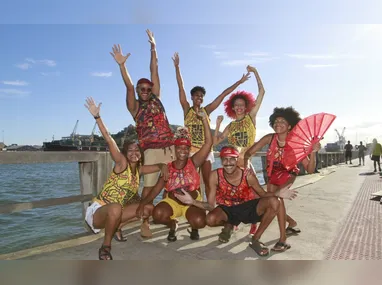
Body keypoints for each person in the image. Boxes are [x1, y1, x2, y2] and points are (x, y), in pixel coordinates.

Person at [84, 97, 169, 260]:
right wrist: (97, 117)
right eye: (130, 150)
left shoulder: (139, 170)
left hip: (117, 212)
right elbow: (109, 138)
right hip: (99, 212)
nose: (134, 153)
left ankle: (117, 227)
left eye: (137, 151)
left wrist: (162, 165)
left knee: (149, 208)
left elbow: (158, 166)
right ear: (124, 152)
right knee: (115, 207)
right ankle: (105, 247)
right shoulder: (122, 163)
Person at [173, 145, 297, 256]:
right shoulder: (214, 175)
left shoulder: (247, 175)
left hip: (247, 206)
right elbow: (211, 205)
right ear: (220, 160)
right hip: (228, 209)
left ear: (237, 160)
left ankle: (256, 239)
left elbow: (263, 194)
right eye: (225, 159)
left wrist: (277, 193)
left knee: (275, 201)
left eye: (232, 159)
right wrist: (192, 201)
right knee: (210, 219)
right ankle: (229, 224)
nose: (228, 163)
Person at [110, 30, 175, 236]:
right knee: (148, 188)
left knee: (171, 183)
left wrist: (154, 47)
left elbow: (154, 69)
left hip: (170, 146)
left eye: (148, 88)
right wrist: (122, 66)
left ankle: (167, 215)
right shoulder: (135, 107)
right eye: (142, 89)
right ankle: (144, 221)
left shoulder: (156, 97)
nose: (145, 91)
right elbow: (128, 86)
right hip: (152, 150)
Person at [172, 52, 250, 198]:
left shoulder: (206, 111)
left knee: (208, 181)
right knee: (192, 182)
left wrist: (239, 82)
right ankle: (196, 206)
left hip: (206, 150)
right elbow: (180, 87)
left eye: (201, 96)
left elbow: (222, 95)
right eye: (196, 95)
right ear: (192, 97)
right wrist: (177, 67)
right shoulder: (187, 110)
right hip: (192, 151)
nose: (199, 98)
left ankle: (210, 206)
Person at [244, 107, 321, 252]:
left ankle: (283, 239)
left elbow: (310, 169)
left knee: (278, 198)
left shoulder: (296, 143)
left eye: (282, 121)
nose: (278, 123)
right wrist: (247, 164)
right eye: (276, 121)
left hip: (288, 173)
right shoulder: (269, 138)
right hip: (272, 174)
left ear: (290, 126)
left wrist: (314, 152)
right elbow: (249, 152)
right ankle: (291, 222)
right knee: (274, 202)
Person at [136, 111, 213, 241]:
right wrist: (142, 204)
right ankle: (172, 223)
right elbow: (156, 189)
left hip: (191, 203)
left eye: (186, 148)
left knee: (200, 221)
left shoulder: (194, 162)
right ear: (174, 149)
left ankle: (193, 226)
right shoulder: (168, 167)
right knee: (158, 214)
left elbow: (208, 143)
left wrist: (205, 120)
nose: (182, 151)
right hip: (173, 202)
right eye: (179, 148)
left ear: (189, 150)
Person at [213, 65, 265, 235]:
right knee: (235, 195)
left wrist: (256, 72)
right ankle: (233, 220)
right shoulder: (231, 125)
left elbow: (262, 92)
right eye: (236, 105)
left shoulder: (251, 118)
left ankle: (254, 222)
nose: (240, 107)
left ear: (246, 106)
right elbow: (216, 141)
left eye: (242, 104)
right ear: (232, 108)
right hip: (234, 165)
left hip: (247, 162)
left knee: (255, 194)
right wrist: (219, 124)